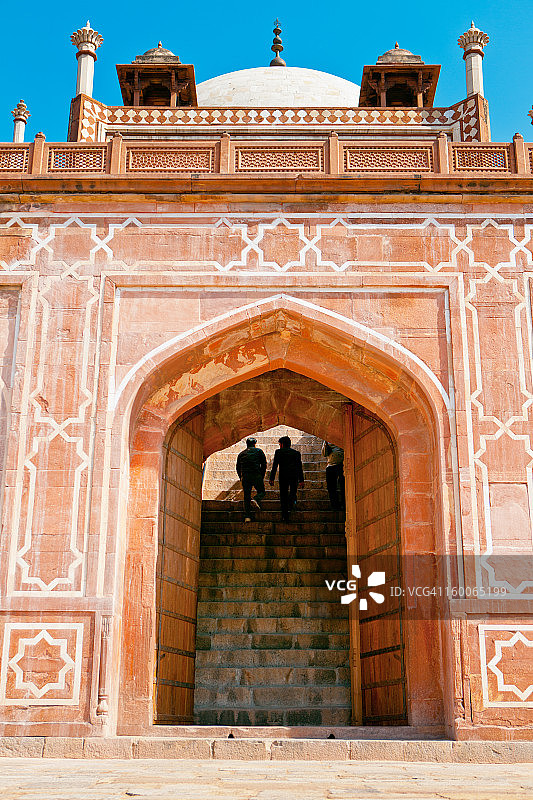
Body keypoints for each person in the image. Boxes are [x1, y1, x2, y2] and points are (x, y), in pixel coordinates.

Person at [269, 435, 304, 522]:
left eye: (280, 444)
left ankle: (285, 515)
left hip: (283, 476)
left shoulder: (278, 452)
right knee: (293, 492)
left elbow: (274, 466)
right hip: (294, 476)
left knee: (283, 495)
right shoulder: (296, 453)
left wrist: (271, 478)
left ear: (282, 444)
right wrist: (301, 480)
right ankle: (291, 505)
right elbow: (299, 467)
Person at [236, 437, 267, 522]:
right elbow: (264, 464)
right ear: (254, 444)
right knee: (261, 492)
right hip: (256, 474)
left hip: (246, 476)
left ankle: (247, 516)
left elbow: (238, 467)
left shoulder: (241, 454)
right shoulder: (259, 451)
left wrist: (241, 477)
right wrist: (261, 475)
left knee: (246, 496)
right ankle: (255, 499)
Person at [322, 441, 345, 510]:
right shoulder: (326, 441)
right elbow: (324, 454)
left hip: (342, 465)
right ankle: (335, 505)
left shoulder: (341, 438)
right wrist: (326, 445)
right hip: (331, 465)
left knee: (343, 486)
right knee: (331, 487)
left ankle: (344, 504)